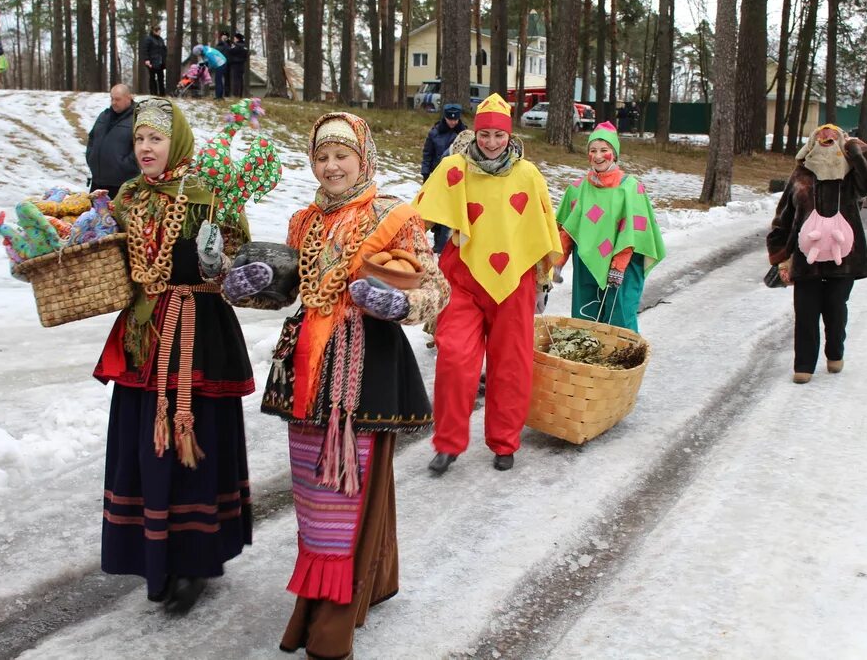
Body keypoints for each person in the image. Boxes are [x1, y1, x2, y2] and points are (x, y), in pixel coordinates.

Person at [222, 112, 449, 659]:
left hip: (366, 367)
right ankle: (363, 582)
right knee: (312, 487)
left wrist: (402, 304)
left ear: (362, 156)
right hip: (306, 366)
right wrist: (243, 286)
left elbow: (435, 287)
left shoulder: (394, 215)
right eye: (322, 156)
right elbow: (284, 290)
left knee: (348, 489)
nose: (330, 166)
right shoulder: (303, 221)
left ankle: (331, 622)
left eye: (341, 155)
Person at [92, 98, 258, 613]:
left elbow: (238, 264)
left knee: (195, 445)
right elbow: (115, 258)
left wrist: (219, 257)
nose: (145, 148)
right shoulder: (127, 198)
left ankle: (192, 560)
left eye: (156, 139)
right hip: (144, 337)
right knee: (144, 446)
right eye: (139, 139)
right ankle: (153, 557)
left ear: (177, 142)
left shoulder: (209, 193)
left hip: (198, 334)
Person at [412, 93, 562, 474]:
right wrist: (401, 251)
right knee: (455, 359)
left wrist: (545, 275)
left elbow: (545, 225)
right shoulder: (454, 170)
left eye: (498, 135)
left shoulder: (528, 175)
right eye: (484, 135)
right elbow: (419, 216)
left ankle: (504, 440)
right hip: (461, 278)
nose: (491, 142)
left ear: (508, 136)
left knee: (511, 364)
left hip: (514, 281)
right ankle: (447, 443)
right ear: (475, 133)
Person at [766, 124, 867, 384]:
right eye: (821, 135)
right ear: (811, 143)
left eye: (833, 136)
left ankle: (834, 352)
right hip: (806, 259)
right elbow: (784, 215)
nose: (826, 138)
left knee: (835, 308)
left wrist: (856, 149)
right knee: (805, 312)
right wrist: (780, 254)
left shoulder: (852, 175)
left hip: (845, 258)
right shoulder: (802, 173)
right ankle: (804, 366)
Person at [555, 121, 665, 333]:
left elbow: (634, 231)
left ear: (614, 153)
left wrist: (618, 266)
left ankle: (621, 363)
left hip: (623, 265)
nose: (597, 156)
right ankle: (589, 365)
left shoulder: (630, 188)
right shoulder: (577, 189)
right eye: (592, 150)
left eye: (604, 150)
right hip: (587, 265)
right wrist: (557, 262)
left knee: (619, 321)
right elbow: (567, 231)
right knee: (586, 320)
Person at [420, 103, 468, 253]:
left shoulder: (465, 134)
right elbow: (427, 154)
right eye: (449, 119)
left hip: (459, 180)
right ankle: (438, 245)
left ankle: (448, 246)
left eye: (455, 120)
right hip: (438, 178)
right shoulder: (435, 133)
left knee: (452, 214)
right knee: (436, 213)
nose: (452, 122)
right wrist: (425, 174)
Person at [85, 84, 141, 198]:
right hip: (97, 183)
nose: (114, 102)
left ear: (128, 97)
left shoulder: (137, 119)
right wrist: (90, 156)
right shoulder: (104, 116)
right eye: (112, 99)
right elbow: (92, 138)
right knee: (93, 215)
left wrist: (125, 164)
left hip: (122, 185)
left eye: (118, 99)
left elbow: (141, 146)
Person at [141, 24, 167, 95]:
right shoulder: (148, 39)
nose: (159, 32)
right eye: (158, 31)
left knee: (161, 78)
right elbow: (145, 50)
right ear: (154, 31)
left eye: (159, 31)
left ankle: (162, 94)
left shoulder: (161, 39)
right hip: (152, 61)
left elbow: (164, 49)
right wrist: (147, 59)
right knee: (152, 78)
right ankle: (153, 93)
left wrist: (164, 58)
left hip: (160, 62)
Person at [227, 32, 248, 98]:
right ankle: (240, 94)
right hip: (242, 64)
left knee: (235, 80)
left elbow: (230, 51)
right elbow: (246, 55)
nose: (234, 39)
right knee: (240, 80)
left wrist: (230, 48)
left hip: (235, 64)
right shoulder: (244, 46)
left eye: (235, 38)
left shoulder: (235, 46)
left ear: (237, 38)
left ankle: (235, 94)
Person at [214, 31, 232, 97]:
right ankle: (219, 95)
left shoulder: (230, 45)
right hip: (220, 64)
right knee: (219, 80)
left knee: (227, 80)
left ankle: (227, 94)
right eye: (223, 36)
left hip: (228, 64)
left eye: (225, 36)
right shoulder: (219, 45)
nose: (224, 37)